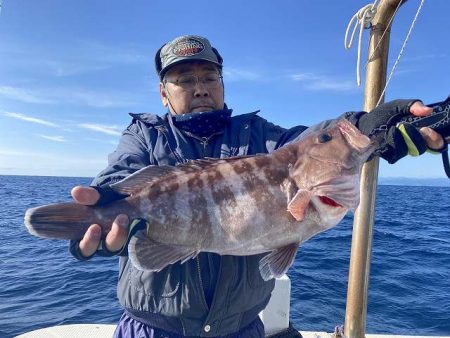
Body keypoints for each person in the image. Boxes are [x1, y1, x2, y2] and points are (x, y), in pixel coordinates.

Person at [68, 35, 447, 338]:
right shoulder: (144, 137)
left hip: (244, 327)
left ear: (222, 83)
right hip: (152, 329)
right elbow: (115, 184)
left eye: (209, 77)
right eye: (185, 80)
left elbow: (308, 141)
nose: (200, 88)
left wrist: (370, 129)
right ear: (163, 93)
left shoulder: (263, 138)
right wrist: (99, 227)